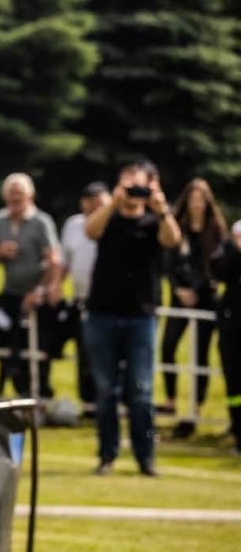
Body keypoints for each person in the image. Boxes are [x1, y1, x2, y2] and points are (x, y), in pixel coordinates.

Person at [83, 161, 182, 475]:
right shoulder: (107, 219)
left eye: (140, 185)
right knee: (105, 391)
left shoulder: (155, 222)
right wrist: (112, 201)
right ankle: (107, 456)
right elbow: (90, 230)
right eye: (129, 185)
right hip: (102, 314)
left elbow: (173, 240)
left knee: (141, 392)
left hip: (141, 317)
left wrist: (161, 207)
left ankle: (146, 457)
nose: (134, 192)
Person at [0, 173, 62, 397]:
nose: (15, 199)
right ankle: (11, 387)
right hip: (10, 293)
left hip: (36, 295)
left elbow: (53, 260)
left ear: (31, 196)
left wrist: (40, 291)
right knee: (5, 339)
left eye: (20, 194)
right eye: (11, 194)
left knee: (36, 348)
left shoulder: (41, 222)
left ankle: (39, 393)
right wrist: (0, 251)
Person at [161, 179, 227, 438]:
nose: (196, 203)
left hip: (206, 298)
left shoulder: (215, 229)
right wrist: (179, 288)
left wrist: (198, 290)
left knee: (200, 355)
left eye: (201, 198)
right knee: (167, 347)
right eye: (192, 198)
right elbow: (168, 261)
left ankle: (195, 409)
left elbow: (218, 265)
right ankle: (171, 401)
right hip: (180, 296)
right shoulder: (178, 227)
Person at [58, 182, 111, 412]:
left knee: (109, 354)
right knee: (85, 351)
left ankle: (110, 400)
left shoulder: (115, 223)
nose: (94, 206)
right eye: (90, 201)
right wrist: (55, 284)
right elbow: (64, 260)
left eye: (99, 201)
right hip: (81, 299)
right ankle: (89, 402)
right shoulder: (73, 225)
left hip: (109, 301)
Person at [220, 221, 241, 452]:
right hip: (232, 329)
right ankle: (237, 431)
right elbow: (221, 272)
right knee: (234, 386)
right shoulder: (227, 254)